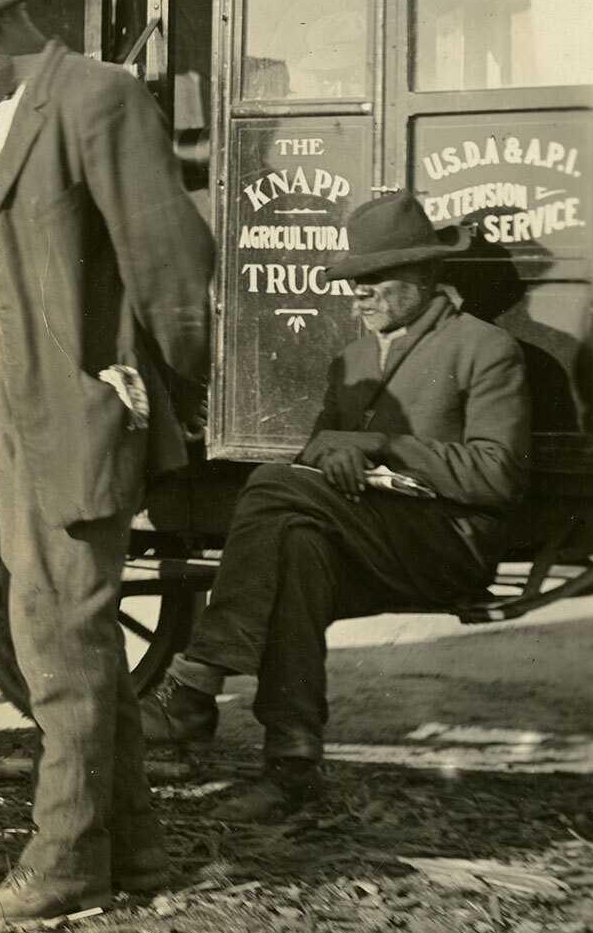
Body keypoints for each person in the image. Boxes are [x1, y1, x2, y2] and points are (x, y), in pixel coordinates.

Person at [0, 0, 215, 922]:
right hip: (21, 429)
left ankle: (67, 859)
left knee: (60, 639)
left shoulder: (96, 98)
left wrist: (155, 397)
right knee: (63, 636)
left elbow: (172, 267)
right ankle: (136, 849)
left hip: (82, 421)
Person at [142, 192, 529, 817]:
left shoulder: (483, 348)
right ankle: (292, 766)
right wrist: (336, 452)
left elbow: (497, 473)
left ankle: (196, 683)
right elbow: (317, 453)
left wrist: (379, 445)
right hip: (361, 533)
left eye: (374, 279)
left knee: (271, 485)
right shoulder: (350, 359)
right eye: (353, 282)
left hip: (445, 546)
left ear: (426, 276)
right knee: (296, 550)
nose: (359, 294)